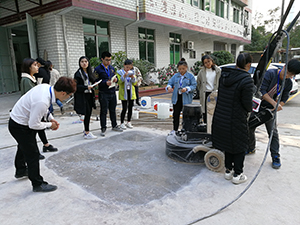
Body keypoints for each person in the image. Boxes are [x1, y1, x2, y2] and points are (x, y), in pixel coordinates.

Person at [8, 77, 76, 192]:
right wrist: (50, 125)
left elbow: (44, 110)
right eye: (69, 95)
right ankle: (37, 184)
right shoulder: (42, 101)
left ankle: (20, 170)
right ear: (63, 93)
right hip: (20, 125)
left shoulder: (46, 88)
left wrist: (51, 118)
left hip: (18, 120)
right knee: (33, 153)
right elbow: (33, 124)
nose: (68, 98)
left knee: (23, 146)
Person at [248, 59, 300, 169]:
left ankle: (275, 156)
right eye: (287, 72)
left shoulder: (288, 83)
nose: (288, 76)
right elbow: (262, 91)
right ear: (284, 67)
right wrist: (274, 104)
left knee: (273, 133)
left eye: (291, 75)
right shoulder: (270, 74)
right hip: (258, 106)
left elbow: (285, 97)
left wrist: (278, 106)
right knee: (250, 127)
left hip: (270, 110)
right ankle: (251, 147)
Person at [212, 53, 254, 184]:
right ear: (248, 65)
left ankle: (228, 171)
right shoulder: (247, 80)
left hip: (221, 116)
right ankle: (238, 174)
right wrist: (251, 107)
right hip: (236, 118)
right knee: (240, 146)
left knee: (227, 144)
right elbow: (247, 104)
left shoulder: (224, 75)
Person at [94, 51, 123, 136]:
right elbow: (95, 81)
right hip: (103, 93)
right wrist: (104, 83)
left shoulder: (111, 68)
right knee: (103, 111)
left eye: (110, 60)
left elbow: (116, 76)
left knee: (113, 110)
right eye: (106, 60)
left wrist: (116, 79)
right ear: (102, 59)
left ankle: (114, 125)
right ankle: (103, 127)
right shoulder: (97, 69)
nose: (108, 62)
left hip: (112, 91)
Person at [166, 60, 197, 134]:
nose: (181, 70)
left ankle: (185, 130)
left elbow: (194, 86)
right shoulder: (176, 76)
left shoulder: (190, 76)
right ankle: (175, 130)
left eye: (183, 69)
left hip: (186, 98)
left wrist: (187, 89)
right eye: (180, 69)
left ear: (186, 67)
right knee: (176, 114)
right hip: (176, 98)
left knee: (186, 115)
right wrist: (169, 87)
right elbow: (170, 83)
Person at [74, 56, 97, 139]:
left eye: (85, 61)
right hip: (83, 96)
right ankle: (87, 132)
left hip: (90, 95)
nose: (84, 63)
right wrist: (86, 87)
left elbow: (93, 80)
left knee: (89, 113)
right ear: (79, 63)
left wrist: (95, 84)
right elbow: (76, 87)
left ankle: (86, 130)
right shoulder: (78, 74)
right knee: (86, 114)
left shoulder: (89, 72)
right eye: (82, 62)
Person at [197, 55, 221, 123]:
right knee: (205, 111)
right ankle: (206, 126)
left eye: (209, 61)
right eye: (205, 62)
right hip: (205, 93)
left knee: (215, 111)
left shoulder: (218, 70)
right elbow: (198, 83)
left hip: (215, 93)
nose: (208, 64)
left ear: (212, 61)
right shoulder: (201, 72)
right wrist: (201, 90)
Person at [116, 59, 137, 129]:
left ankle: (129, 121)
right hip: (123, 92)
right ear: (124, 66)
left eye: (130, 67)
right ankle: (122, 122)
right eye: (127, 67)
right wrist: (124, 76)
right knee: (124, 108)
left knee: (130, 108)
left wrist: (133, 77)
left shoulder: (132, 72)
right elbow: (119, 82)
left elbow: (135, 83)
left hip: (131, 92)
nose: (128, 69)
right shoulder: (119, 73)